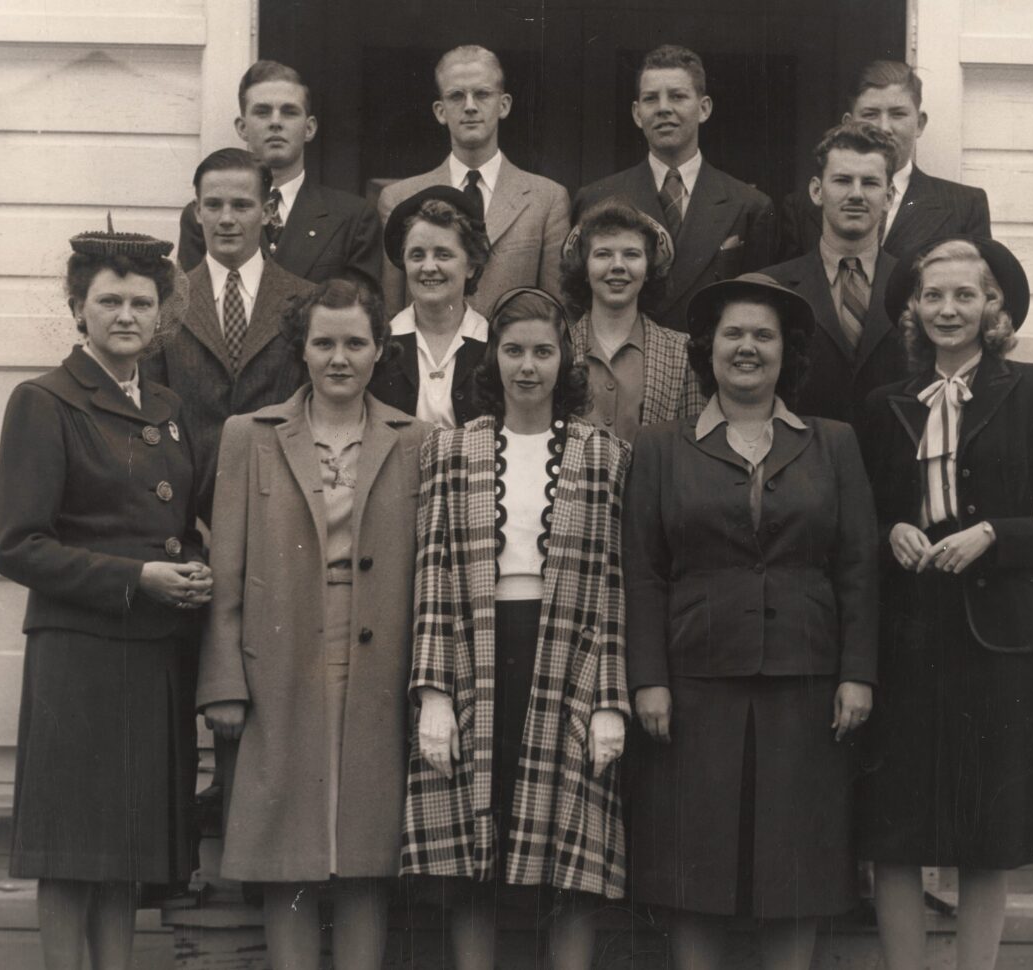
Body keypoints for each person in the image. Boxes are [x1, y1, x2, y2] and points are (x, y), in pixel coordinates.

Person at [624, 272, 877, 970]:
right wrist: (648, 678)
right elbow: (642, 573)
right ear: (707, 349)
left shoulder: (834, 444)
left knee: (798, 866)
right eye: (733, 333)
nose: (747, 347)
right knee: (693, 863)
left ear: (784, 350)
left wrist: (857, 673)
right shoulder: (658, 448)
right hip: (694, 681)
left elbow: (857, 567)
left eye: (763, 335)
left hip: (807, 681)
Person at [858, 237, 1033, 970]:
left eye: (965, 295)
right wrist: (887, 530)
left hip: (999, 643)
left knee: (988, 833)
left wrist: (993, 533)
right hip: (908, 635)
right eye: (933, 296)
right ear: (913, 310)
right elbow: (859, 518)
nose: (948, 310)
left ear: (993, 306)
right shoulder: (885, 404)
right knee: (895, 832)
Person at [197, 274, 430, 970]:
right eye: (323, 342)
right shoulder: (252, 436)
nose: (339, 358)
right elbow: (227, 573)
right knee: (286, 842)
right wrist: (223, 683)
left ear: (379, 349)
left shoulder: (416, 440)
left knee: (363, 842)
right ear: (300, 349)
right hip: (280, 660)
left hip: (378, 662)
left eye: (355, 343)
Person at [0, 228, 209, 970]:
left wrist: (194, 567)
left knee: (125, 845)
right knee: (72, 844)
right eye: (108, 300)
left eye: (141, 301)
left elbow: (174, 523)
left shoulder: (171, 407)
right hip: (79, 655)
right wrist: (136, 578)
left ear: (162, 314)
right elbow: (18, 546)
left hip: (152, 654)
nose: (126, 314)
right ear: (77, 308)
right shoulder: (45, 401)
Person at [401, 288, 630, 970]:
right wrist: (433, 693)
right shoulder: (450, 449)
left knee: (571, 843)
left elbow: (617, 582)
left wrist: (611, 700)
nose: (527, 367)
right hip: (477, 647)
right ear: (492, 358)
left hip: (571, 653)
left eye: (543, 351)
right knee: (474, 843)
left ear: (566, 361)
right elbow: (433, 574)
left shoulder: (605, 454)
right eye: (513, 351)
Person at [143, 147, 315, 523]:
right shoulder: (165, 301)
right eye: (214, 205)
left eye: (241, 205)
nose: (226, 219)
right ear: (196, 210)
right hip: (189, 515)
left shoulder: (305, 300)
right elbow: (150, 418)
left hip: (284, 511)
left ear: (268, 212)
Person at [573, 44, 777, 333]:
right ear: (636, 113)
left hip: (709, 367)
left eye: (678, 96)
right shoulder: (595, 199)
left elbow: (758, 312)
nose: (663, 108)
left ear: (704, 108)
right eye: (651, 99)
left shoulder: (750, 205)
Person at [377, 45, 571, 317]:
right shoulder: (400, 199)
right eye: (456, 96)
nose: (469, 106)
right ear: (440, 111)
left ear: (503, 105)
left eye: (482, 94)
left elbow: (555, 312)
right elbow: (392, 315)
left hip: (509, 356)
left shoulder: (546, 199)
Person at [177, 60, 382, 284]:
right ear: (242, 128)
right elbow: (193, 306)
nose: (275, 122)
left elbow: (361, 313)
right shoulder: (205, 214)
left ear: (310, 128)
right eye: (262, 112)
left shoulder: (353, 217)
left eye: (289, 112)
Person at [763, 122, 905, 425]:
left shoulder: (915, 285)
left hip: (893, 464)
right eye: (842, 180)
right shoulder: (773, 287)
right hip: (802, 462)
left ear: (890, 196)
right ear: (817, 190)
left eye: (870, 183)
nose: (856, 194)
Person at [778, 60, 991, 262]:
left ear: (919, 124)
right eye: (870, 114)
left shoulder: (964, 206)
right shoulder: (801, 208)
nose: (884, 128)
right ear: (848, 124)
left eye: (898, 114)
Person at [559, 200, 704, 440]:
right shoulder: (559, 346)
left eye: (631, 254)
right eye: (603, 254)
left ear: (649, 270)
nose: (618, 266)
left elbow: (691, 446)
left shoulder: (682, 352)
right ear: (584, 269)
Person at [367, 185, 491, 428]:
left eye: (443, 255)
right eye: (417, 255)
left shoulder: (493, 342)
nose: (429, 266)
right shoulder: (381, 343)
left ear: (471, 266)